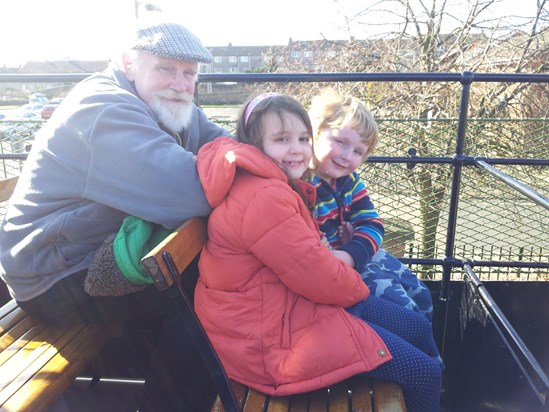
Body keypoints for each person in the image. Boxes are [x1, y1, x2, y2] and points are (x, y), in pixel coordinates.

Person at [0, 20, 230, 411]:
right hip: (51, 274)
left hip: (90, 251)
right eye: (165, 69)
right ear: (129, 64)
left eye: (189, 73)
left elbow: (224, 145)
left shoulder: (171, 107)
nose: (179, 83)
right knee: (204, 288)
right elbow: (190, 194)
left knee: (210, 272)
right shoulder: (104, 109)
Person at [194, 92, 442, 412]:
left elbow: (316, 263)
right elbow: (320, 275)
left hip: (290, 307)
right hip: (271, 342)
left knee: (417, 327)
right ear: (256, 145)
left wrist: (350, 272)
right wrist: (359, 288)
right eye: (282, 139)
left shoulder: (274, 184)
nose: (296, 149)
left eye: (302, 138)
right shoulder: (264, 197)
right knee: (425, 373)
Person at [308, 88, 435, 322]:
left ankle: (430, 349)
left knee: (422, 294)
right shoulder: (303, 183)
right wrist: (339, 255)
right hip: (330, 273)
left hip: (354, 255)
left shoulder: (349, 182)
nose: (347, 156)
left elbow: (372, 225)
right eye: (340, 142)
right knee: (404, 310)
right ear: (316, 132)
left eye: (358, 151)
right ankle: (422, 353)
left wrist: (351, 251)